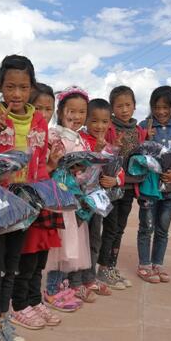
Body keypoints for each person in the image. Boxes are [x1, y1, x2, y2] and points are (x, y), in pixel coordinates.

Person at [0, 54, 48, 341]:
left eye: (23, 87)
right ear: (0, 87)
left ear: (31, 88)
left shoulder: (39, 122)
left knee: (12, 266)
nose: (17, 94)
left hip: (25, 207)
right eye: (10, 87)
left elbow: (41, 164)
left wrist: (42, 193)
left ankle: (4, 319)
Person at [9, 84, 63, 328]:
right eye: (38, 108)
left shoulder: (50, 138)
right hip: (29, 203)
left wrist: (54, 163)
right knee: (27, 258)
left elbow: (45, 169)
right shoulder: (24, 136)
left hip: (45, 204)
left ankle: (34, 299)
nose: (43, 113)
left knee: (40, 258)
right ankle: (19, 304)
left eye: (48, 109)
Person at [44, 87, 95, 312]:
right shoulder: (53, 135)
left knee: (69, 245)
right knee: (58, 246)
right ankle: (51, 290)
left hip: (73, 201)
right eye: (71, 111)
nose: (76, 116)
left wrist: (82, 172)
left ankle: (62, 285)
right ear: (61, 112)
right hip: (57, 201)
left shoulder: (83, 141)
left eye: (81, 112)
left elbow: (86, 171)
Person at [137, 86, 171, 283]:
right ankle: (144, 264)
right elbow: (135, 154)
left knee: (162, 227)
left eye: (165, 107)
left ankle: (158, 264)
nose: (160, 112)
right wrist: (144, 137)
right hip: (149, 186)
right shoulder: (143, 125)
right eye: (156, 107)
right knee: (146, 226)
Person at [99, 86, 146, 289]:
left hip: (128, 187)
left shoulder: (139, 131)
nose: (124, 109)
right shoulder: (108, 128)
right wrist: (114, 146)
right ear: (112, 108)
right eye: (119, 106)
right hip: (110, 187)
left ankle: (111, 266)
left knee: (119, 229)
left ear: (135, 106)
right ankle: (102, 269)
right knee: (110, 229)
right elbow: (103, 155)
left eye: (128, 105)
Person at [76, 98, 122, 297]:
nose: (99, 126)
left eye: (104, 122)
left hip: (97, 202)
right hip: (78, 201)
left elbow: (118, 170)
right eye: (94, 121)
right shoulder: (80, 140)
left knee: (95, 239)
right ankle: (74, 280)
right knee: (77, 240)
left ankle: (89, 278)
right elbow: (75, 167)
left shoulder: (109, 147)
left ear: (110, 123)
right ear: (86, 120)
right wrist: (94, 153)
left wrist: (115, 180)